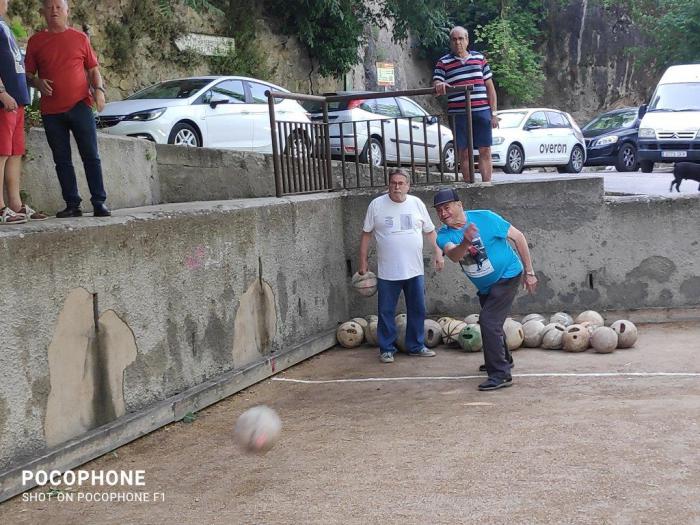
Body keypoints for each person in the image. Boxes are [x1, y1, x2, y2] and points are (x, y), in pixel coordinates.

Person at [433, 187, 538, 391]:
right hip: (485, 286)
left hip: (508, 274)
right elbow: (454, 256)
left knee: (489, 321)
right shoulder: (443, 235)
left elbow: (518, 237)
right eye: (439, 210)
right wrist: (465, 241)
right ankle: (503, 359)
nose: (443, 213)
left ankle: (500, 374)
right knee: (492, 322)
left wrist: (530, 272)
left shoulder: (486, 218)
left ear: (459, 205)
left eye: (446, 207)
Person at [25, 0, 110, 218]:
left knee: (91, 155)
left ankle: (99, 202)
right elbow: (26, 75)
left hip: (80, 105)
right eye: (50, 7)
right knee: (61, 160)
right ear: (43, 11)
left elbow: (93, 69)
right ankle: (72, 204)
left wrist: (99, 90)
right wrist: (37, 82)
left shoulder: (80, 38)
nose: (54, 11)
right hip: (51, 111)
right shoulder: (36, 41)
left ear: (66, 11)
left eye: (58, 7)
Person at [359, 169, 444, 363]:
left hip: (414, 270)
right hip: (388, 271)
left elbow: (430, 232)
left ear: (408, 186)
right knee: (386, 311)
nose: (397, 187)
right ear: (388, 184)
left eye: (401, 183)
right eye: (393, 183)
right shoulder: (376, 205)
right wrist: (362, 262)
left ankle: (416, 346)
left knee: (418, 309)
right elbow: (366, 234)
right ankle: (386, 349)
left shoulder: (417, 204)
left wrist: (439, 254)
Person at [0, 0, 48, 223]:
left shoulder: (4, 26)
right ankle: (0, 208)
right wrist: (1, 92)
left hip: (17, 101)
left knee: (14, 152)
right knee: (1, 153)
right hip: (4, 100)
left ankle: (15, 204)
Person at [433, 26, 498, 184]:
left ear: (467, 40)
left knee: (485, 149)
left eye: (461, 39)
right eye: (454, 39)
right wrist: (439, 83)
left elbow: (490, 88)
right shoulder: (444, 62)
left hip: (481, 111)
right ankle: (470, 186)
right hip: (459, 114)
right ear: (450, 42)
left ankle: (486, 185)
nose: (458, 42)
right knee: (464, 152)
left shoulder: (479, 59)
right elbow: (436, 82)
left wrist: (494, 114)